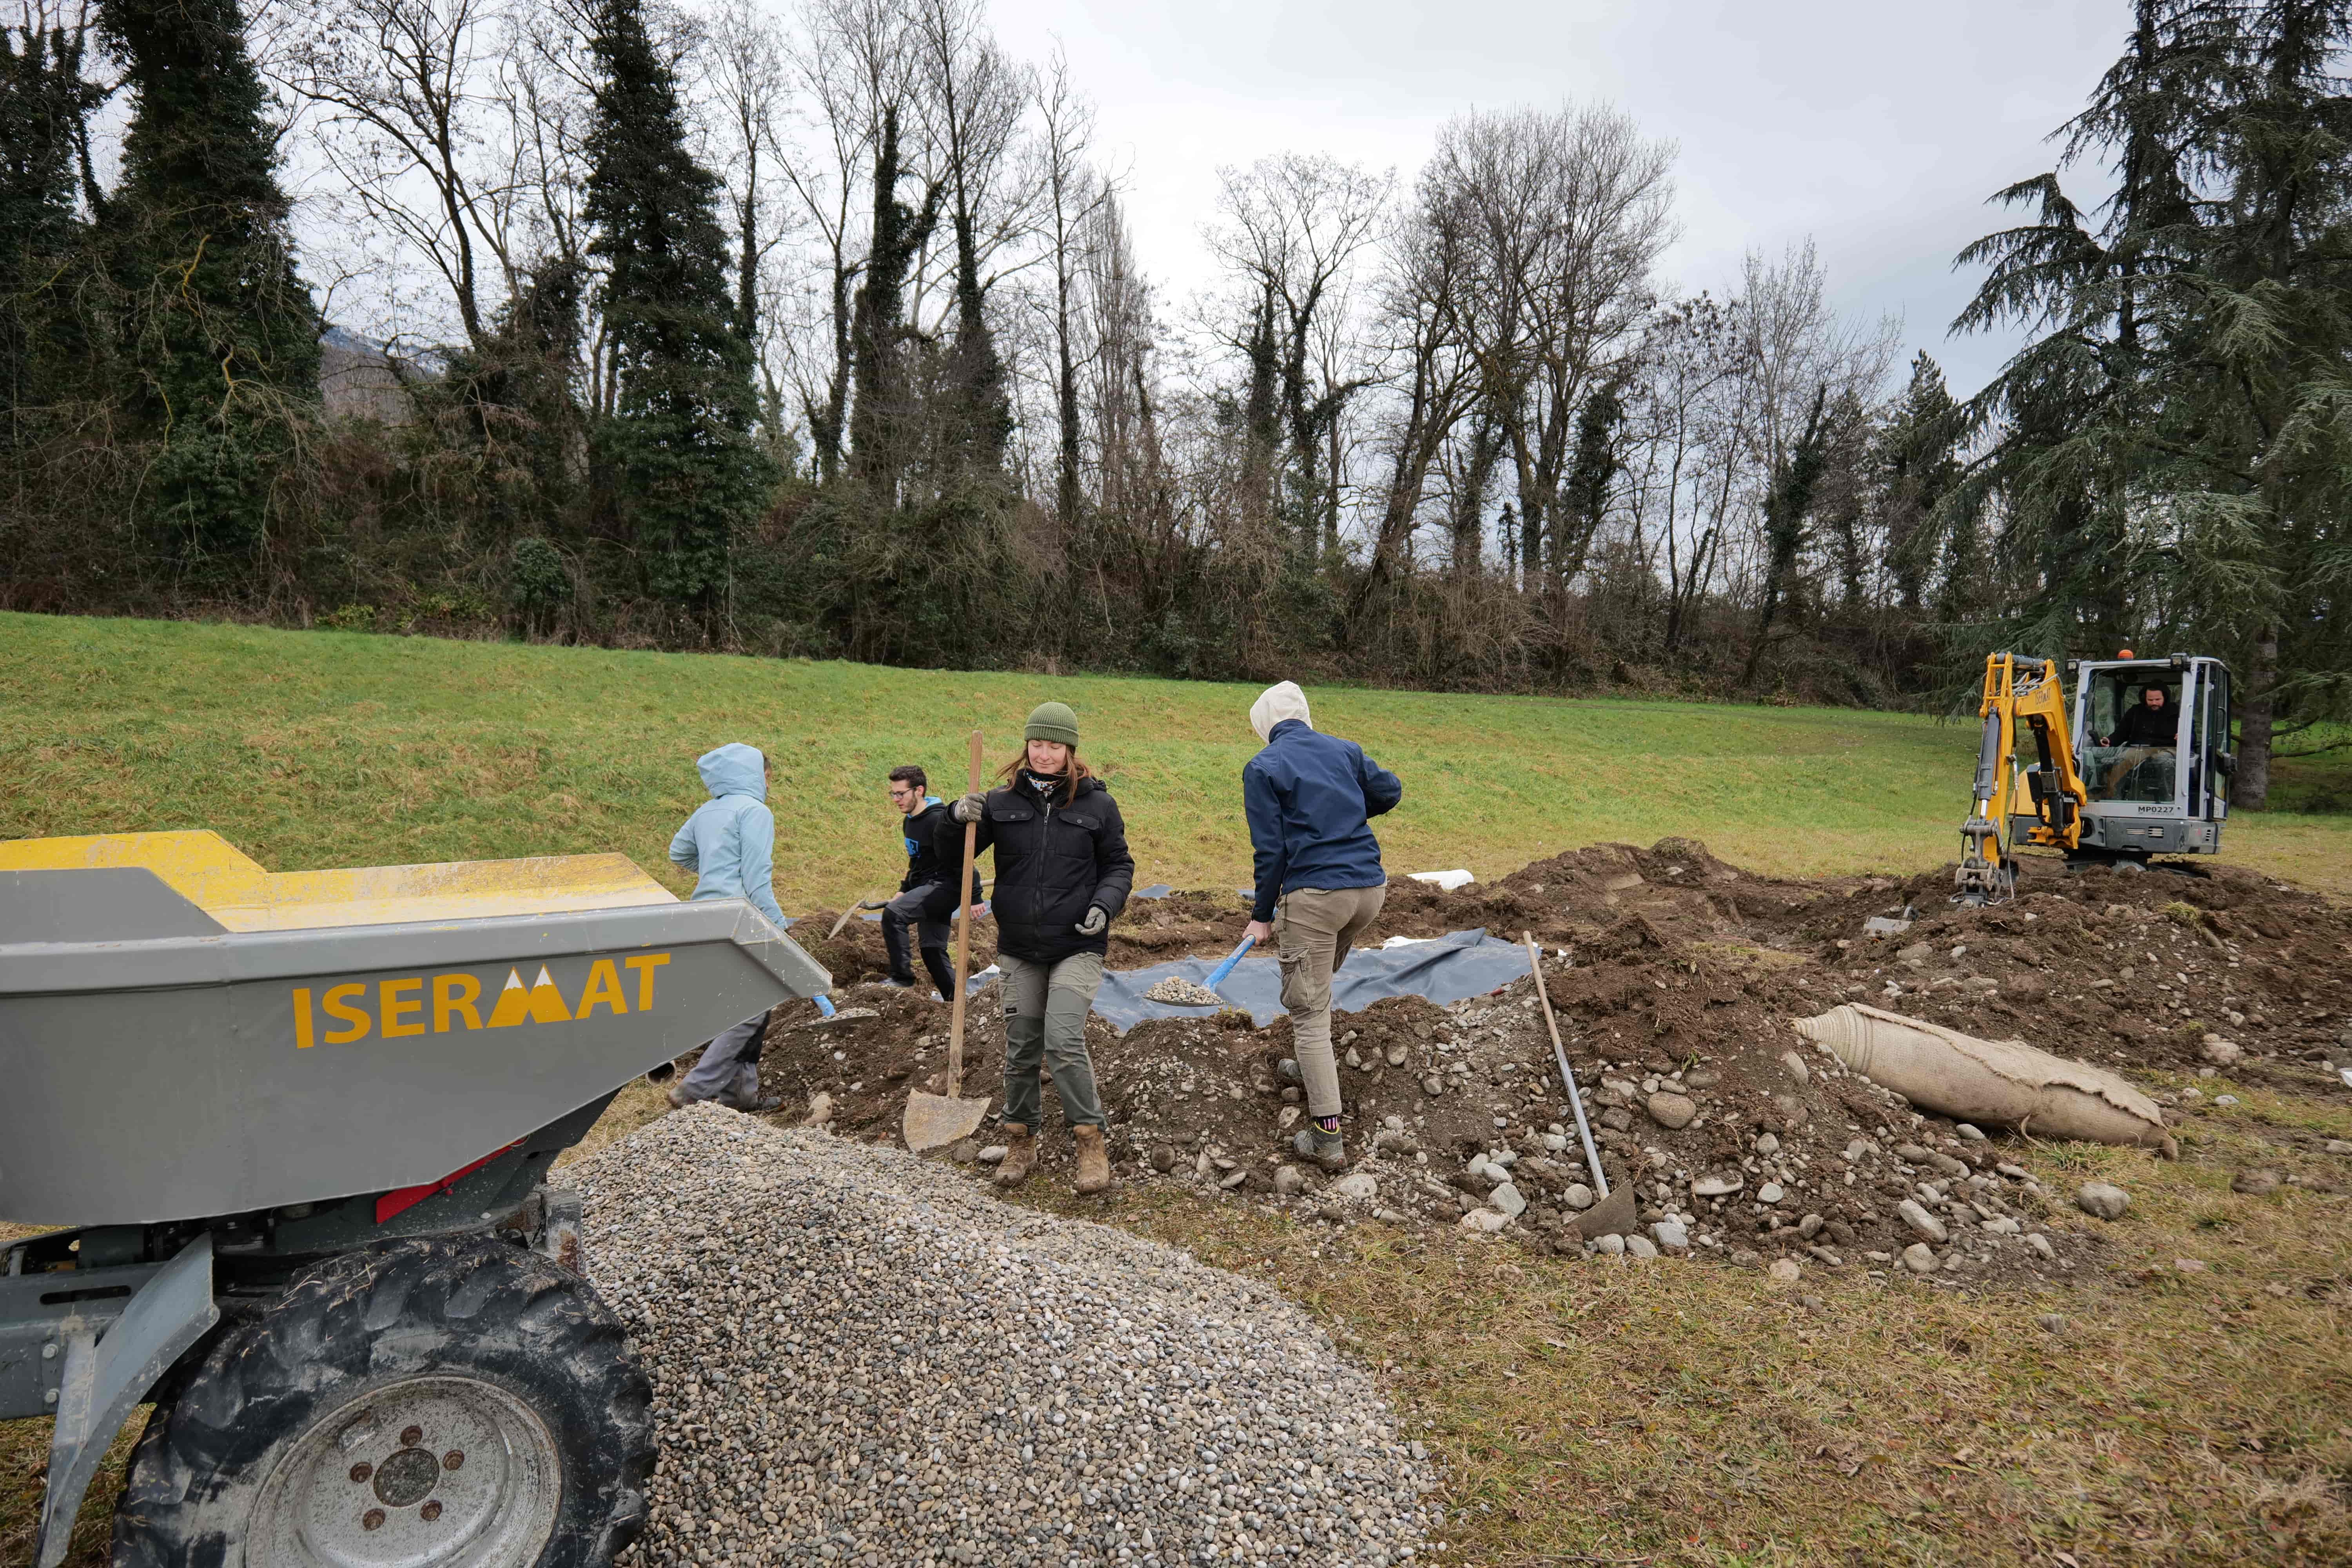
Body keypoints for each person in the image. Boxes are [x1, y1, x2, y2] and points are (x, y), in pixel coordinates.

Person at [944, 701, 1133, 1194]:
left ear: (1071, 750)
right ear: (1026, 745)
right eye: (1037, 744)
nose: (1044, 754)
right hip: (1020, 945)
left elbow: (1119, 865)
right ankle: (1021, 1141)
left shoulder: (1098, 806)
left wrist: (1105, 905)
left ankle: (1090, 1143)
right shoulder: (1000, 802)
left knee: (1063, 1041)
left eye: (1054, 746)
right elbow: (954, 853)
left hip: (1078, 943)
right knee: (1022, 1046)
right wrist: (955, 816)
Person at [1240, 681, 1403, 1172]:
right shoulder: (1343, 750)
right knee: (1317, 983)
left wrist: (1261, 915)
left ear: (1263, 725)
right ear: (1305, 714)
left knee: (1309, 1014)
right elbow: (1390, 790)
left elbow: (1271, 851)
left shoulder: (1264, 766)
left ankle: (1326, 1137)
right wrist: (1342, 813)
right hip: (1369, 891)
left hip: (1316, 898)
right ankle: (1313, 1069)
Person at [666, 742, 785, 1112]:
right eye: (767, 776)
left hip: (704, 916)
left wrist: (716, 875)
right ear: (755, 774)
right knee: (754, 1006)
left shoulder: (706, 811)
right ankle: (694, 1089)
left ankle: (740, 1097)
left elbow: (678, 853)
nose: (769, 784)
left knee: (739, 1005)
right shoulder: (755, 811)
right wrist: (779, 925)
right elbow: (757, 878)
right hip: (739, 918)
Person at [881, 764, 981, 1001]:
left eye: (901, 794)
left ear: (919, 790)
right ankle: (957, 1002)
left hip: (945, 887)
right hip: (928, 889)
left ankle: (901, 978)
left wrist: (975, 896)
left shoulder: (938, 820)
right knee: (932, 950)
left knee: (894, 915)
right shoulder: (910, 821)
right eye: (893, 794)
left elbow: (964, 858)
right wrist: (904, 889)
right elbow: (917, 862)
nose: (896, 799)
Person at [2099, 685, 2176, 794]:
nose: (2154, 703)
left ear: (2165, 698)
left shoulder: (2177, 712)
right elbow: (2122, 732)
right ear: (2144, 698)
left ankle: (2167, 797)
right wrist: (2110, 741)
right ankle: (2114, 795)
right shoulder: (2136, 712)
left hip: (2168, 748)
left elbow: (2191, 735)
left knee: (2163, 761)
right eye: (2150, 700)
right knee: (2121, 759)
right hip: (2140, 748)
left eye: (2158, 700)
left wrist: (2181, 736)